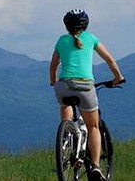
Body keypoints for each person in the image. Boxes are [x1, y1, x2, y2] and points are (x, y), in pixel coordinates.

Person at [50, 9, 125, 181]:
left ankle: (67, 140)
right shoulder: (91, 38)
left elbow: (53, 67)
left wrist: (53, 82)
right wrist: (118, 78)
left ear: (67, 26)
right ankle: (97, 167)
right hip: (84, 86)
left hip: (63, 86)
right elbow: (110, 60)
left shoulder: (61, 40)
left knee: (66, 109)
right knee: (93, 127)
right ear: (86, 25)